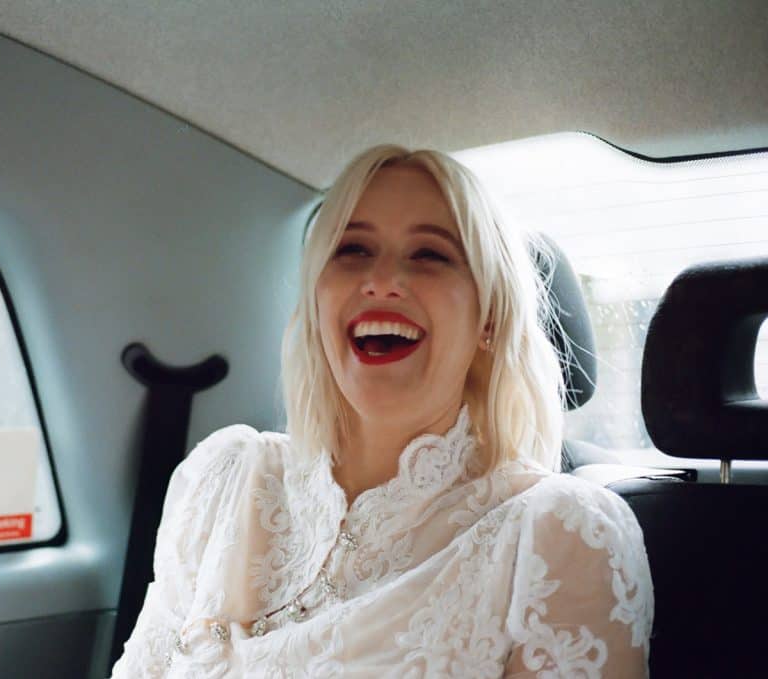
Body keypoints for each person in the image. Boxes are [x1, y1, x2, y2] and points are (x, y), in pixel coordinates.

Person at [110, 146, 654, 677]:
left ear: (488, 317)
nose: (382, 280)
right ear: (318, 300)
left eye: (429, 255)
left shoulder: (558, 533)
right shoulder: (223, 478)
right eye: (352, 250)